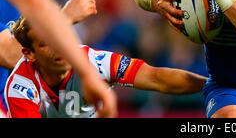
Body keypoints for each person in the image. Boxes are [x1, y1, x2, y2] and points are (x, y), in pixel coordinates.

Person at [5, 16, 207, 118]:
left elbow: (155, 78)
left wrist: (211, 85)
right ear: (29, 54)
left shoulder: (94, 61)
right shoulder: (20, 87)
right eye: (45, 44)